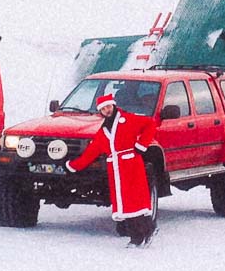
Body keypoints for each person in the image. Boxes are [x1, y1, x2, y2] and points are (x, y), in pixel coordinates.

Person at [65, 92, 159, 246]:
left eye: (108, 106)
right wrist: (74, 166)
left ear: (113, 105)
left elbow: (150, 124)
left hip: (131, 166)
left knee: (135, 200)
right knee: (125, 203)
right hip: (116, 170)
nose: (107, 110)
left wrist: (141, 145)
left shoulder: (128, 119)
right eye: (103, 109)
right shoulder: (103, 132)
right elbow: (92, 152)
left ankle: (142, 234)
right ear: (100, 112)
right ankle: (140, 234)